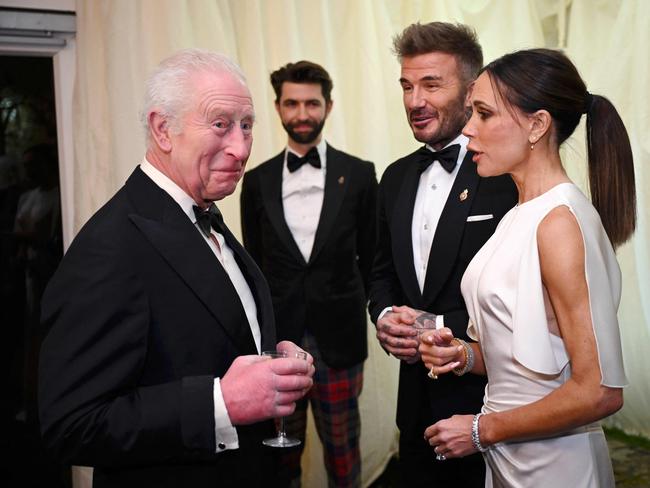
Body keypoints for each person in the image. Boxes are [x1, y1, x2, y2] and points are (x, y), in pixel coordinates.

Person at [38, 49, 315, 488]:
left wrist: (267, 353)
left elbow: (199, 335)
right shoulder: (110, 247)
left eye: (247, 126)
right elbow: (72, 424)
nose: (241, 148)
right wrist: (221, 402)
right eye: (221, 125)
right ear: (163, 129)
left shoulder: (201, 211)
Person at [419, 48, 634, 487]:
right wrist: (463, 356)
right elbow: (533, 358)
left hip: (556, 465)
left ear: (537, 125)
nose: (468, 129)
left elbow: (600, 390)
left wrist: (481, 430)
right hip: (511, 458)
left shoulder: (560, 222)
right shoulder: (520, 214)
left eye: (483, 113)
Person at [368, 22, 517, 487]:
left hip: (491, 407)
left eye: (431, 84)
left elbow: (521, 292)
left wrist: (432, 325)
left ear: (471, 89)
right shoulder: (393, 178)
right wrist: (387, 314)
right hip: (414, 408)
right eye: (407, 86)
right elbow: (378, 272)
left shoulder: (507, 176)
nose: (415, 101)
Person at [240, 60, 377, 487]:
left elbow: (372, 259)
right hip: (277, 339)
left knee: (343, 451)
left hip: (339, 338)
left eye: (312, 103)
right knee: (281, 455)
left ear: (328, 106)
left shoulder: (359, 174)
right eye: (292, 103)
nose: (302, 113)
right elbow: (253, 266)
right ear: (278, 108)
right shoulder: (256, 181)